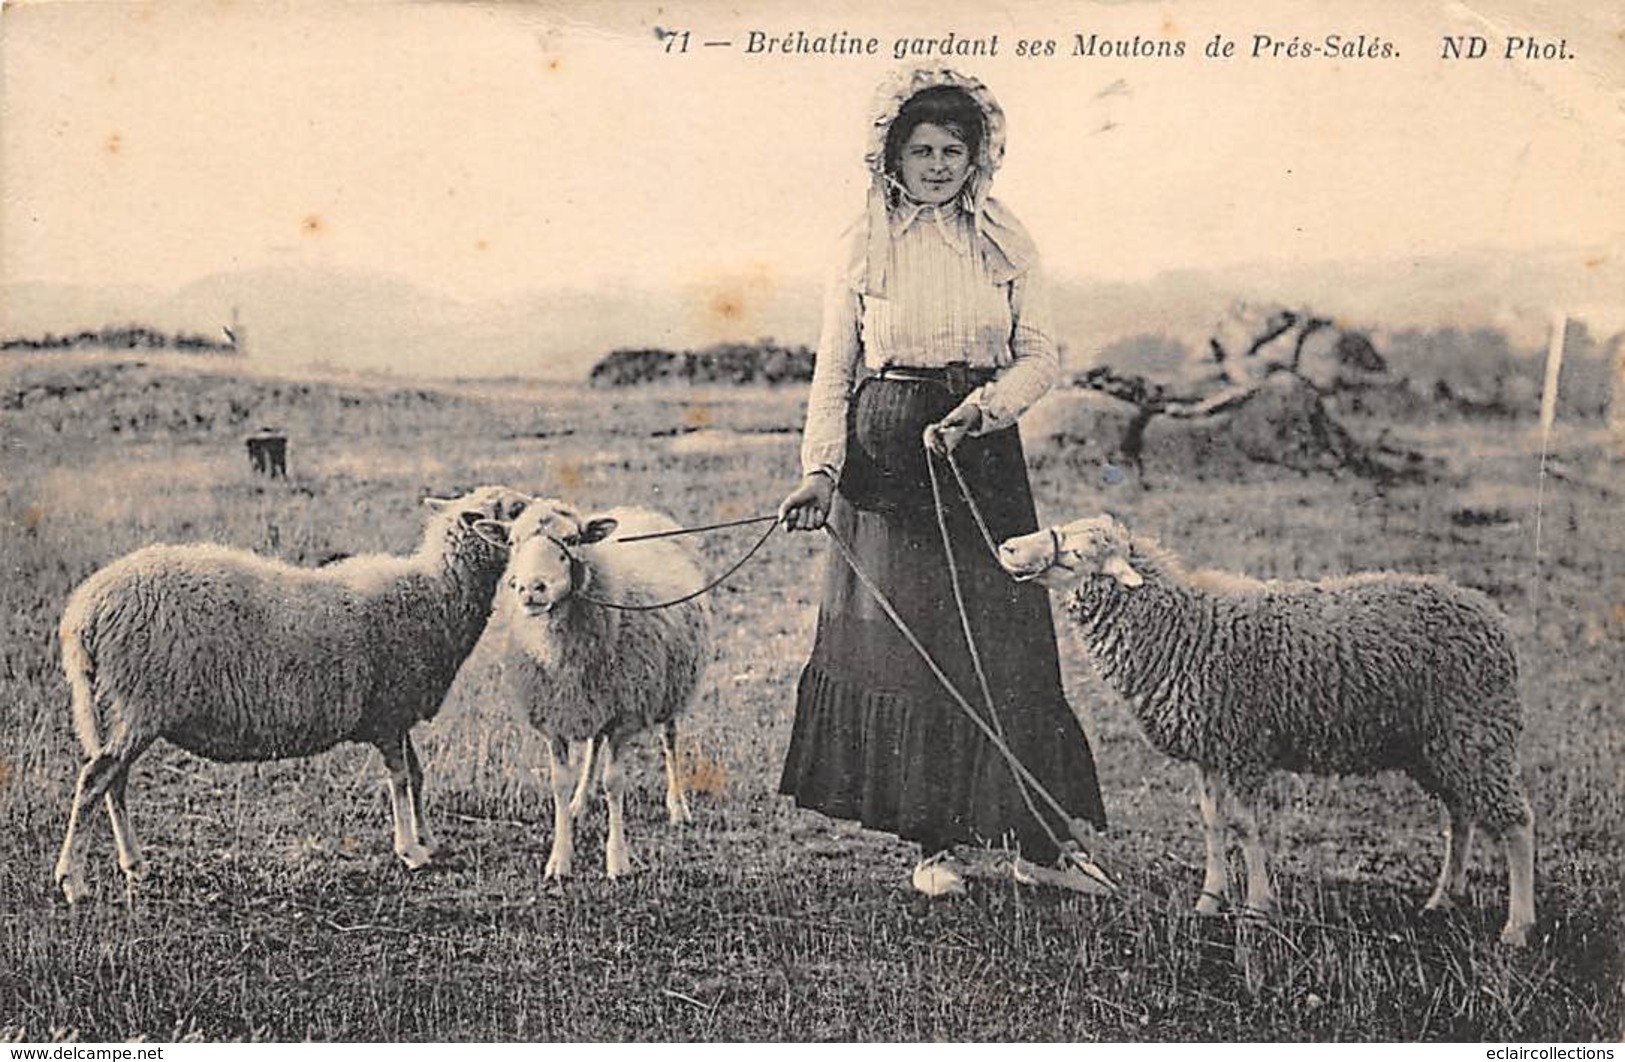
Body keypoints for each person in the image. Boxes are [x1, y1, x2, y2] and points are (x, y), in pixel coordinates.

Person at [777, 67, 1109, 895]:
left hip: (981, 449)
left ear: (977, 156)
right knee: (912, 645)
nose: (935, 165)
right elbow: (833, 371)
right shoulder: (859, 245)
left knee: (1005, 642)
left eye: (951, 151)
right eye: (919, 150)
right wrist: (820, 472)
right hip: (885, 455)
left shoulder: (1005, 239)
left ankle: (1040, 847)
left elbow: (1041, 355)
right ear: (891, 156)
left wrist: (987, 408)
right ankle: (934, 848)